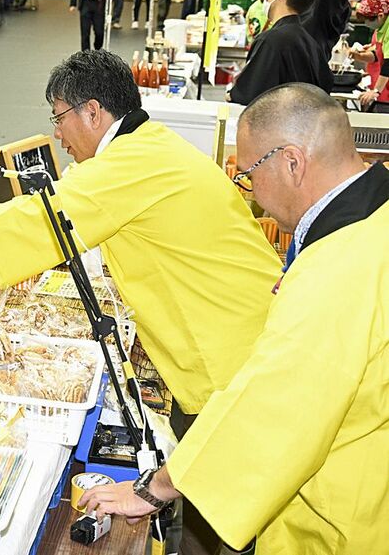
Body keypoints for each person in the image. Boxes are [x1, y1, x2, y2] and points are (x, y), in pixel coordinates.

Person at [0, 49, 281, 555]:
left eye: (58, 119)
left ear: (92, 112)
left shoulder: (133, 161)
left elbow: (53, 214)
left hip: (234, 359)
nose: (59, 136)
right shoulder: (146, 148)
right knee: (209, 498)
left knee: (228, 504)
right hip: (232, 340)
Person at [82, 83, 389, 555]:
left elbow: (271, 411)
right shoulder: (374, 217)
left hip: (344, 520)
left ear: (292, 161)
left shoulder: (339, 269)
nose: (251, 191)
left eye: (248, 174)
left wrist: (152, 489)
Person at [229, 0, 333, 105]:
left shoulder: (270, 41)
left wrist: (230, 95)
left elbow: (248, 95)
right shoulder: (311, 43)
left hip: (276, 121)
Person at [351, 0, 389, 112]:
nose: (366, 24)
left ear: (380, 16)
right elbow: (378, 55)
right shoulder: (381, 28)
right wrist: (359, 56)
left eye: (368, 20)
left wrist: (376, 91)